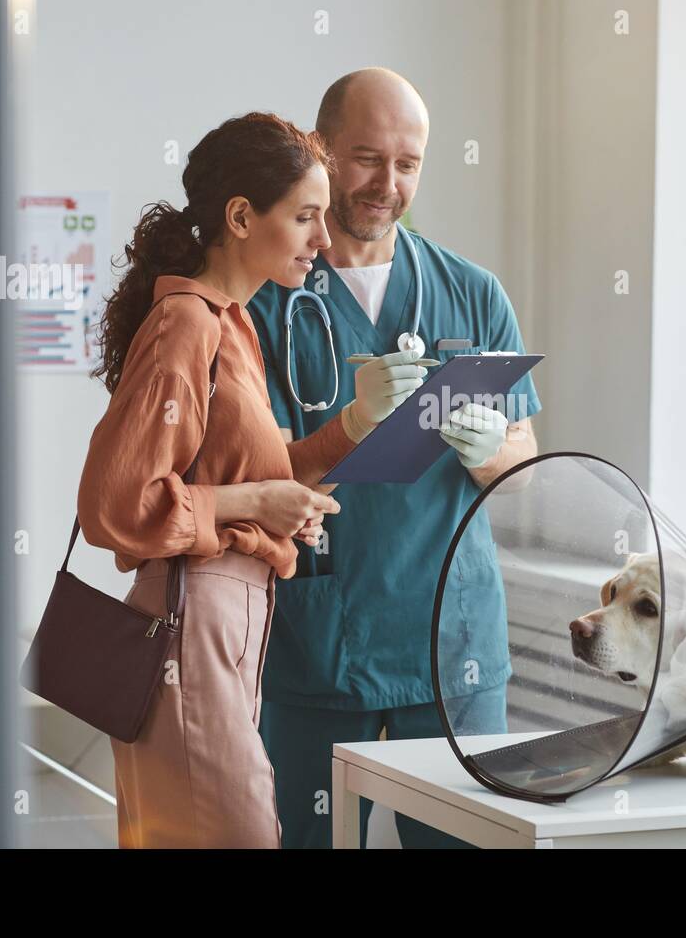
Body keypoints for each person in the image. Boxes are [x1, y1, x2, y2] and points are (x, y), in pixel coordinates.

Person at [75, 111, 424, 848]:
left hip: (228, 622)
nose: (323, 240)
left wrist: (349, 429)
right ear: (240, 216)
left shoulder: (231, 324)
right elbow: (115, 505)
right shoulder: (189, 325)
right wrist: (256, 503)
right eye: (304, 217)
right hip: (190, 624)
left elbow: (258, 474)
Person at [248, 69, 542, 848]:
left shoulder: (472, 292)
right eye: (366, 158)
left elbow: (524, 453)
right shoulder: (264, 305)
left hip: (452, 648)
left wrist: (492, 451)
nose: (387, 183)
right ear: (321, 153)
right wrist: (352, 423)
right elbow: (251, 476)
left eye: (407, 164)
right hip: (320, 640)